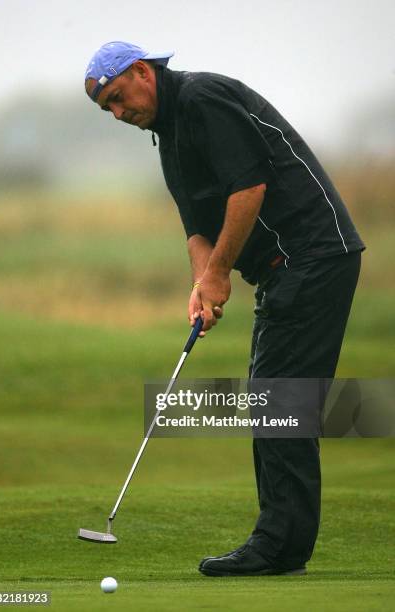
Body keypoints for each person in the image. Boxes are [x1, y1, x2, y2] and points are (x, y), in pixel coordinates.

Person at [84, 41, 365, 576]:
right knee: (275, 399)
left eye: (119, 98)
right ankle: (283, 546)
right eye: (108, 110)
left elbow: (249, 186)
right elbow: (197, 223)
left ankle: (279, 548)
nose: (119, 115)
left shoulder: (202, 98)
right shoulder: (166, 132)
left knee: (281, 401)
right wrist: (201, 283)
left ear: (143, 72)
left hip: (313, 255)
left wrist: (218, 274)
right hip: (288, 268)